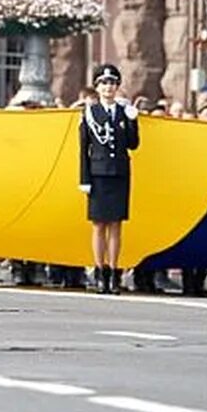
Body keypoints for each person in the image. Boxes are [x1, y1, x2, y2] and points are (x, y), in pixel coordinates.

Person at [79, 63, 140, 294]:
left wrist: (133, 121)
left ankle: (115, 273)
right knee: (98, 226)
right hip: (98, 174)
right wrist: (84, 178)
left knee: (116, 226)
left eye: (112, 83)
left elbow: (133, 145)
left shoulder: (124, 112)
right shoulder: (90, 113)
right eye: (104, 83)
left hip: (119, 174)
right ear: (97, 87)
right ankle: (99, 272)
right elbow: (83, 149)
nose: (108, 87)